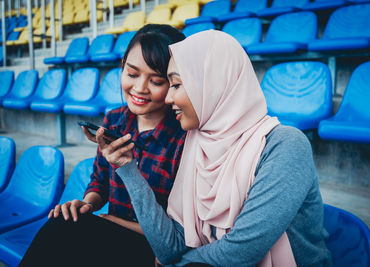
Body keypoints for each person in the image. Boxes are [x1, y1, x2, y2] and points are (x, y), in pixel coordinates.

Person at [111, 30, 332, 266]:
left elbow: (240, 253)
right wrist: (128, 168)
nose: (168, 98)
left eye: (175, 84)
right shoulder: (196, 144)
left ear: (212, 85)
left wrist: (178, 263)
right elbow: (168, 249)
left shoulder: (285, 145)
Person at [19, 24, 186, 267]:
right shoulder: (114, 120)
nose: (139, 88)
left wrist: (108, 219)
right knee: (66, 220)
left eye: (156, 80)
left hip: (153, 250)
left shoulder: (183, 138)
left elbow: (175, 236)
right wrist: (87, 204)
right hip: (110, 232)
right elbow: (100, 180)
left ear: (173, 82)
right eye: (132, 74)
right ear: (121, 68)